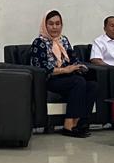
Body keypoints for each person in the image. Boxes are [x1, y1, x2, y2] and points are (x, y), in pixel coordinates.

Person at [30, 10, 98, 138]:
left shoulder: (64, 40)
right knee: (78, 82)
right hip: (50, 79)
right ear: (45, 25)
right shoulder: (39, 42)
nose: (54, 27)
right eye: (51, 24)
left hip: (67, 78)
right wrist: (65, 70)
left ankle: (81, 123)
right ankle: (69, 125)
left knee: (92, 85)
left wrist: (78, 67)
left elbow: (73, 59)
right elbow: (41, 68)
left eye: (58, 24)